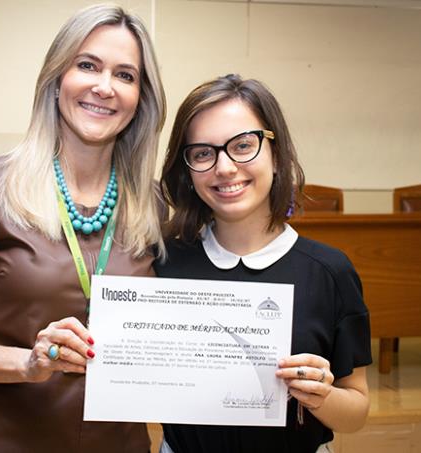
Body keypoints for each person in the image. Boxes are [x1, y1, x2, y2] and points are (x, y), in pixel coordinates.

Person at [0, 4, 165, 452]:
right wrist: (27, 363)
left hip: (117, 442)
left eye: (125, 75)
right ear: (55, 81)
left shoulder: (155, 205)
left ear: (141, 99)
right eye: (87, 65)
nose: (104, 87)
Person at [156, 74, 371, 453]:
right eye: (203, 153)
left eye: (242, 145)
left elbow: (356, 411)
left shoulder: (330, 271)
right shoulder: (163, 266)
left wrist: (320, 395)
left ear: (276, 153)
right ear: (187, 170)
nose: (224, 167)